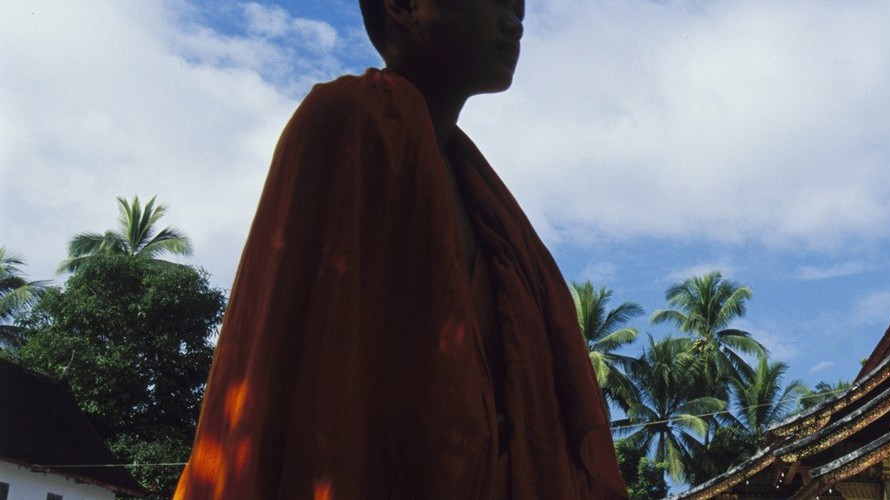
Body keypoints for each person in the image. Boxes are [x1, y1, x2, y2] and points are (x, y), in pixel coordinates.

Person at [174, 0, 626, 497]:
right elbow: (296, 371)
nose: (516, 15)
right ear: (406, 6)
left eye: (518, 4)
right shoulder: (345, 123)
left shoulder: (484, 198)